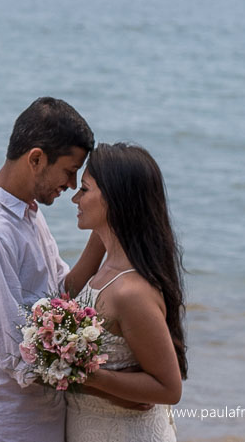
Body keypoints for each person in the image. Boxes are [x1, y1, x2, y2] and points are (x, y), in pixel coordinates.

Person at [0, 97, 105, 442]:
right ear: (36, 159)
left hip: (37, 421)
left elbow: (61, 291)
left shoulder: (27, 213)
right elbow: (15, 354)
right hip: (4, 425)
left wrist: (106, 228)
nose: (70, 185)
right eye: (69, 171)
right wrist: (122, 384)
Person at [65, 142, 187, 442]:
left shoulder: (132, 292)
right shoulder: (106, 263)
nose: (75, 198)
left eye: (84, 189)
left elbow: (169, 389)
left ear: (114, 199)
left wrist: (86, 378)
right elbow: (66, 294)